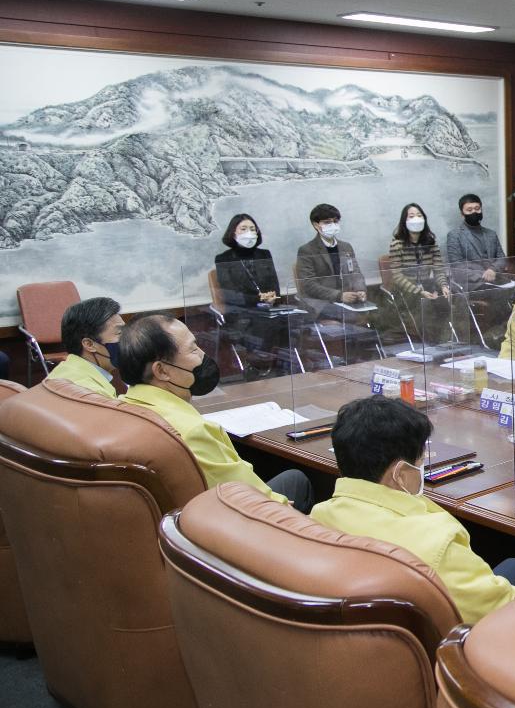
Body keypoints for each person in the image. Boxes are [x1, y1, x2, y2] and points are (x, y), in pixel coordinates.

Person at [310, 396, 515, 633]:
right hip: (475, 661)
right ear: (399, 474)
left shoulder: (320, 516)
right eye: (421, 460)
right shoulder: (436, 546)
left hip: (390, 640)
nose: (423, 466)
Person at [118, 314, 314, 512]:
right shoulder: (192, 432)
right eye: (193, 349)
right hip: (222, 525)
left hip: (171, 520)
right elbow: (259, 501)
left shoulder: (120, 406)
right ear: (161, 371)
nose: (203, 354)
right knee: (297, 481)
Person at [214, 213, 290, 376]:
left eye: (252, 229)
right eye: (243, 229)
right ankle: (260, 366)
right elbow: (230, 296)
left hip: (269, 309)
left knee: (290, 320)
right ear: (233, 233)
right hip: (241, 312)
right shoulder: (223, 259)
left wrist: (271, 298)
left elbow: (275, 288)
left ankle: (284, 365)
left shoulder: (264, 255)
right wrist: (259, 299)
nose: (249, 233)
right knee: (267, 324)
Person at [388, 203, 453, 343]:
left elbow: (438, 268)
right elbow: (397, 276)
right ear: (404, 221)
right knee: (426, 307)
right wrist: (419, 291)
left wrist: (443, 286)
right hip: (406, 289)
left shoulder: (431, 242)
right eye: (411, 216)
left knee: (446, 304)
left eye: (419, 215)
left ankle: (445, 342)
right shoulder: (397, 244)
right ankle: (429, 344)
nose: (416, 219)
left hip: (427, 284)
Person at [295, 203, 371, 319]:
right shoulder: (306, 250)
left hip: (347, 300)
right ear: (316, 225)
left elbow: (356, 273)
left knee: (377, 315)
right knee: (347, 319)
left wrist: (360, 290)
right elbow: (308, 285)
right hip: (321, 303)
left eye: (335, 221)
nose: (333, 225)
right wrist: (339, 296)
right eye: (327, 222)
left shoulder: (346, 247)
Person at [44, 296, 124, 398]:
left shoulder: (66, 370)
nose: (129, 338)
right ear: (89, 344)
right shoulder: (94, 394)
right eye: (119, 332)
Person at [445, 194, 507, 292]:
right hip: (471, 286)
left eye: (477, 208)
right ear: (462, 213)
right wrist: (484, 276)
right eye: (469, 210)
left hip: (496, 281)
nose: (474, 212)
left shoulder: (491, 234)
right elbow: (457, 266)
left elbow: (502, 258)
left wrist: (492, 270)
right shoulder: (454, 235)